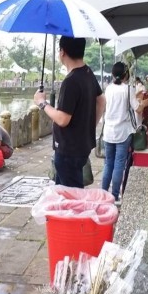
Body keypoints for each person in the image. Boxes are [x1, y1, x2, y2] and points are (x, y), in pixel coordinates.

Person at [33, 36, 105, 188]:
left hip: (68, 150)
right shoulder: (87, 72)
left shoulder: (71, 81)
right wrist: (89, 126)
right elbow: (101, 101)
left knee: (71, 198)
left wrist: (42, 102)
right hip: (82, 145)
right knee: (65, 193)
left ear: (62, 52)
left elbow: (62, 119)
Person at [100, 62, 137, 201]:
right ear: (126, 74)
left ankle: (103, 194)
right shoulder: (128, 90)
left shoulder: (108, 89)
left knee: (108, 163)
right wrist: (144, 103)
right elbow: (137, 108)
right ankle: (114, 196)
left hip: (109, 131)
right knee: (119, 164)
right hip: (123, 132)